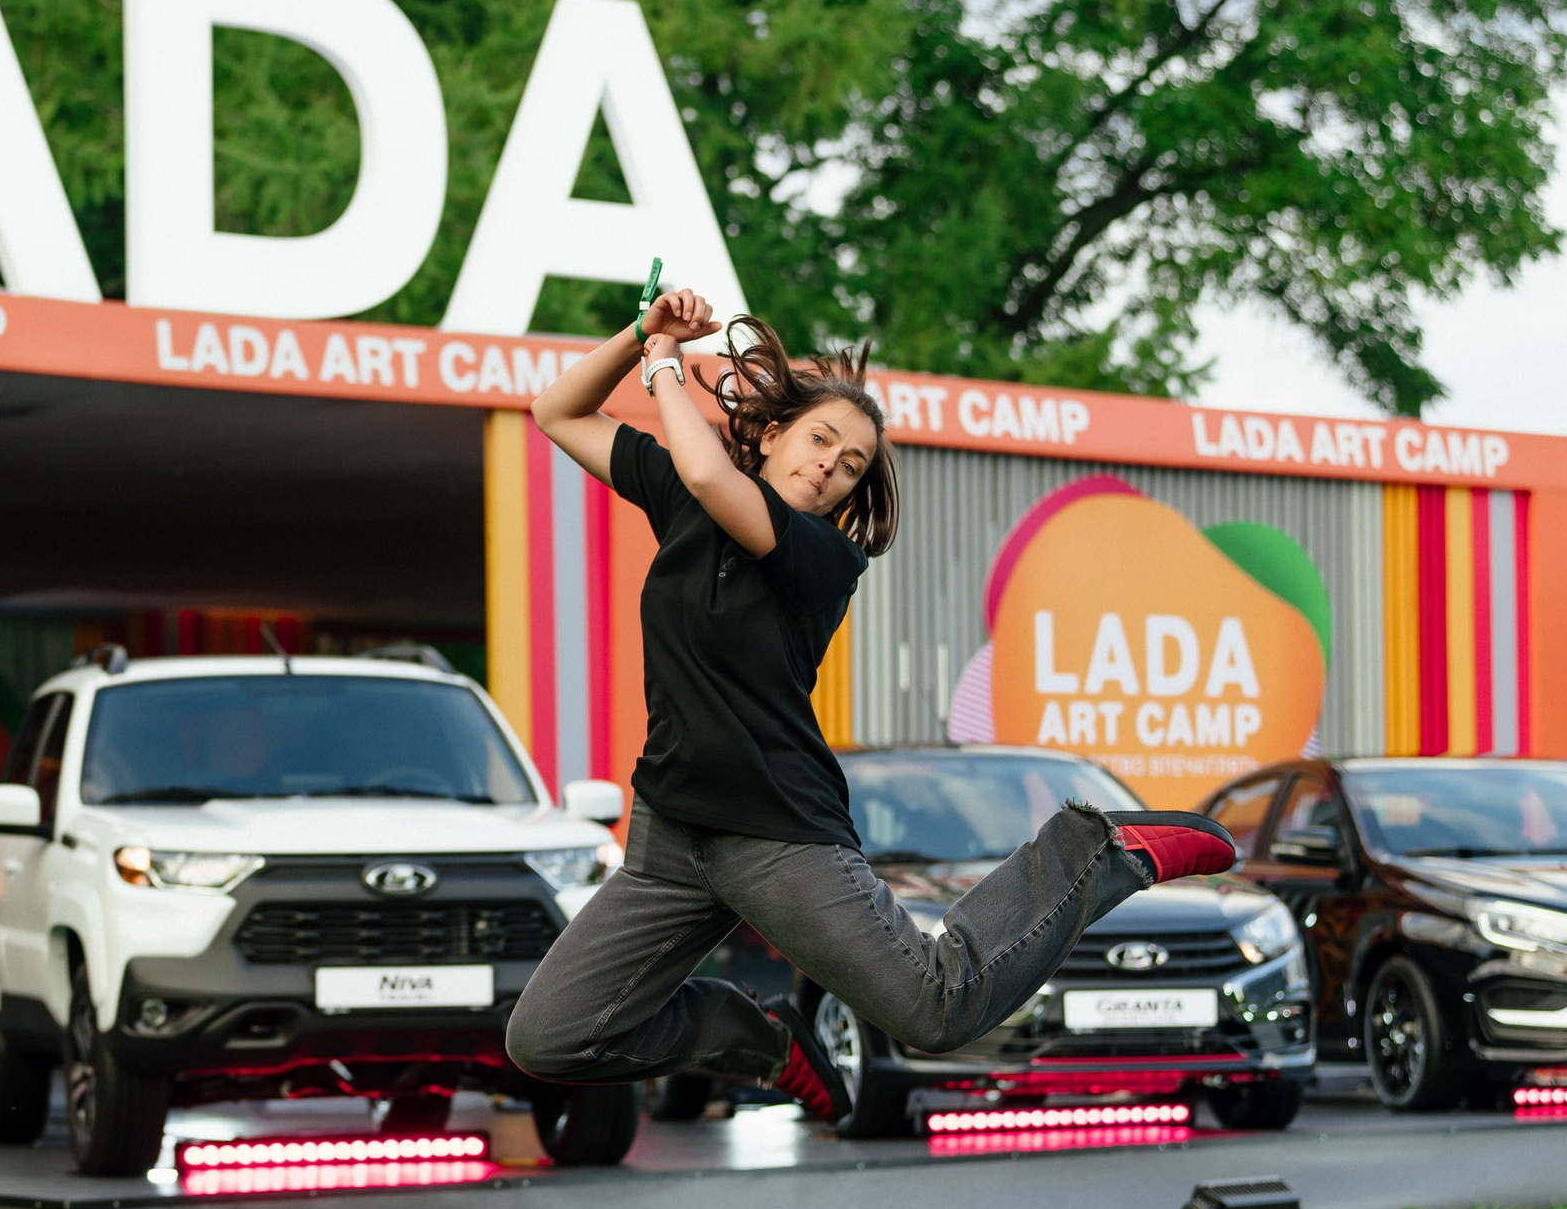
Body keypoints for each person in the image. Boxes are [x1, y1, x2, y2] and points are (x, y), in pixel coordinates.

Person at [504, 289, 1238, 1121]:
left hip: (774, 832)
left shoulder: (820, 557)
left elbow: (709, 470)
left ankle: (1096, 853)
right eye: (820, 439)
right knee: (551, 1036)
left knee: (937, 1007)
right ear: (772, 434)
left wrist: (664, 360)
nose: (830, 465)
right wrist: (639, 330)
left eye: (851, 464)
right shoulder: (681, 496)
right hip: (669, 836)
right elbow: (556, 410)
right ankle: (757, 1041)